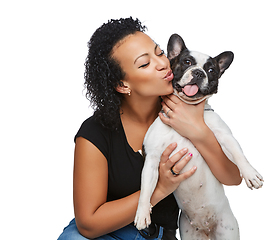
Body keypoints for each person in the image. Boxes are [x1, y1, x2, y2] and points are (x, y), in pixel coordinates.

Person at [57, 17, 242, 240]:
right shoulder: (95, 132)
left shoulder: (186, 109)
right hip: (105, 235)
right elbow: (88, 224)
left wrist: (198, 132)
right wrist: (160, 188)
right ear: (122, 84)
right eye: (145, 64)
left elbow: (233, 178)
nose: (162, 64)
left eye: (160, 52)